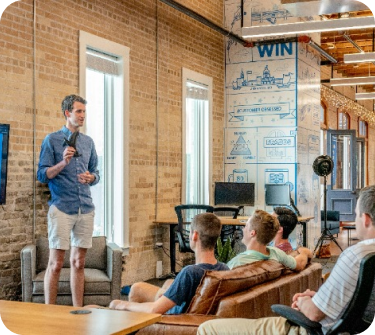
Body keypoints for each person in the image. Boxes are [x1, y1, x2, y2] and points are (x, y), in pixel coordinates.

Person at [197, 185, 375, 335]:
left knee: (208, 328)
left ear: (365, 219)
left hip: (312, 330)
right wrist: (321, 298)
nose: (354, 218)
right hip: (348, 326)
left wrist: (304, 302)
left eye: (356, 214)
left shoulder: (355, 255)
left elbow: (313, 313)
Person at [37, 94, 100, 306]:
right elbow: (42, 175)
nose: (83, 116)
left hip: (85, 208)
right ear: (67, 113)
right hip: (61, 208)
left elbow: (96, 173)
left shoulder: (88, 142)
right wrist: (63, 163)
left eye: (84, 111)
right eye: (79, 111)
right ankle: (50, 312)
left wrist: (92, 178)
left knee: (79, 262)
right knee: (55, 264)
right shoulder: (51, 140)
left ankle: (78, 312)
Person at [108, 213, 229, 314]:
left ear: (195, 235)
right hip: (189, 309)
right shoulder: (224, 268)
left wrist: (121, 304)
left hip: (174, 317)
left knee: (128, 295)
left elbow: (154, 309)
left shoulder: (190, 273)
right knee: (140, 287)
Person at [226, 209, 312, 271]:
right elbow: (300, 264)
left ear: (252, 233)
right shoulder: (277, 253)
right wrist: (305, 252)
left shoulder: (236, 263)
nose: (243, 229)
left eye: (246, 226)